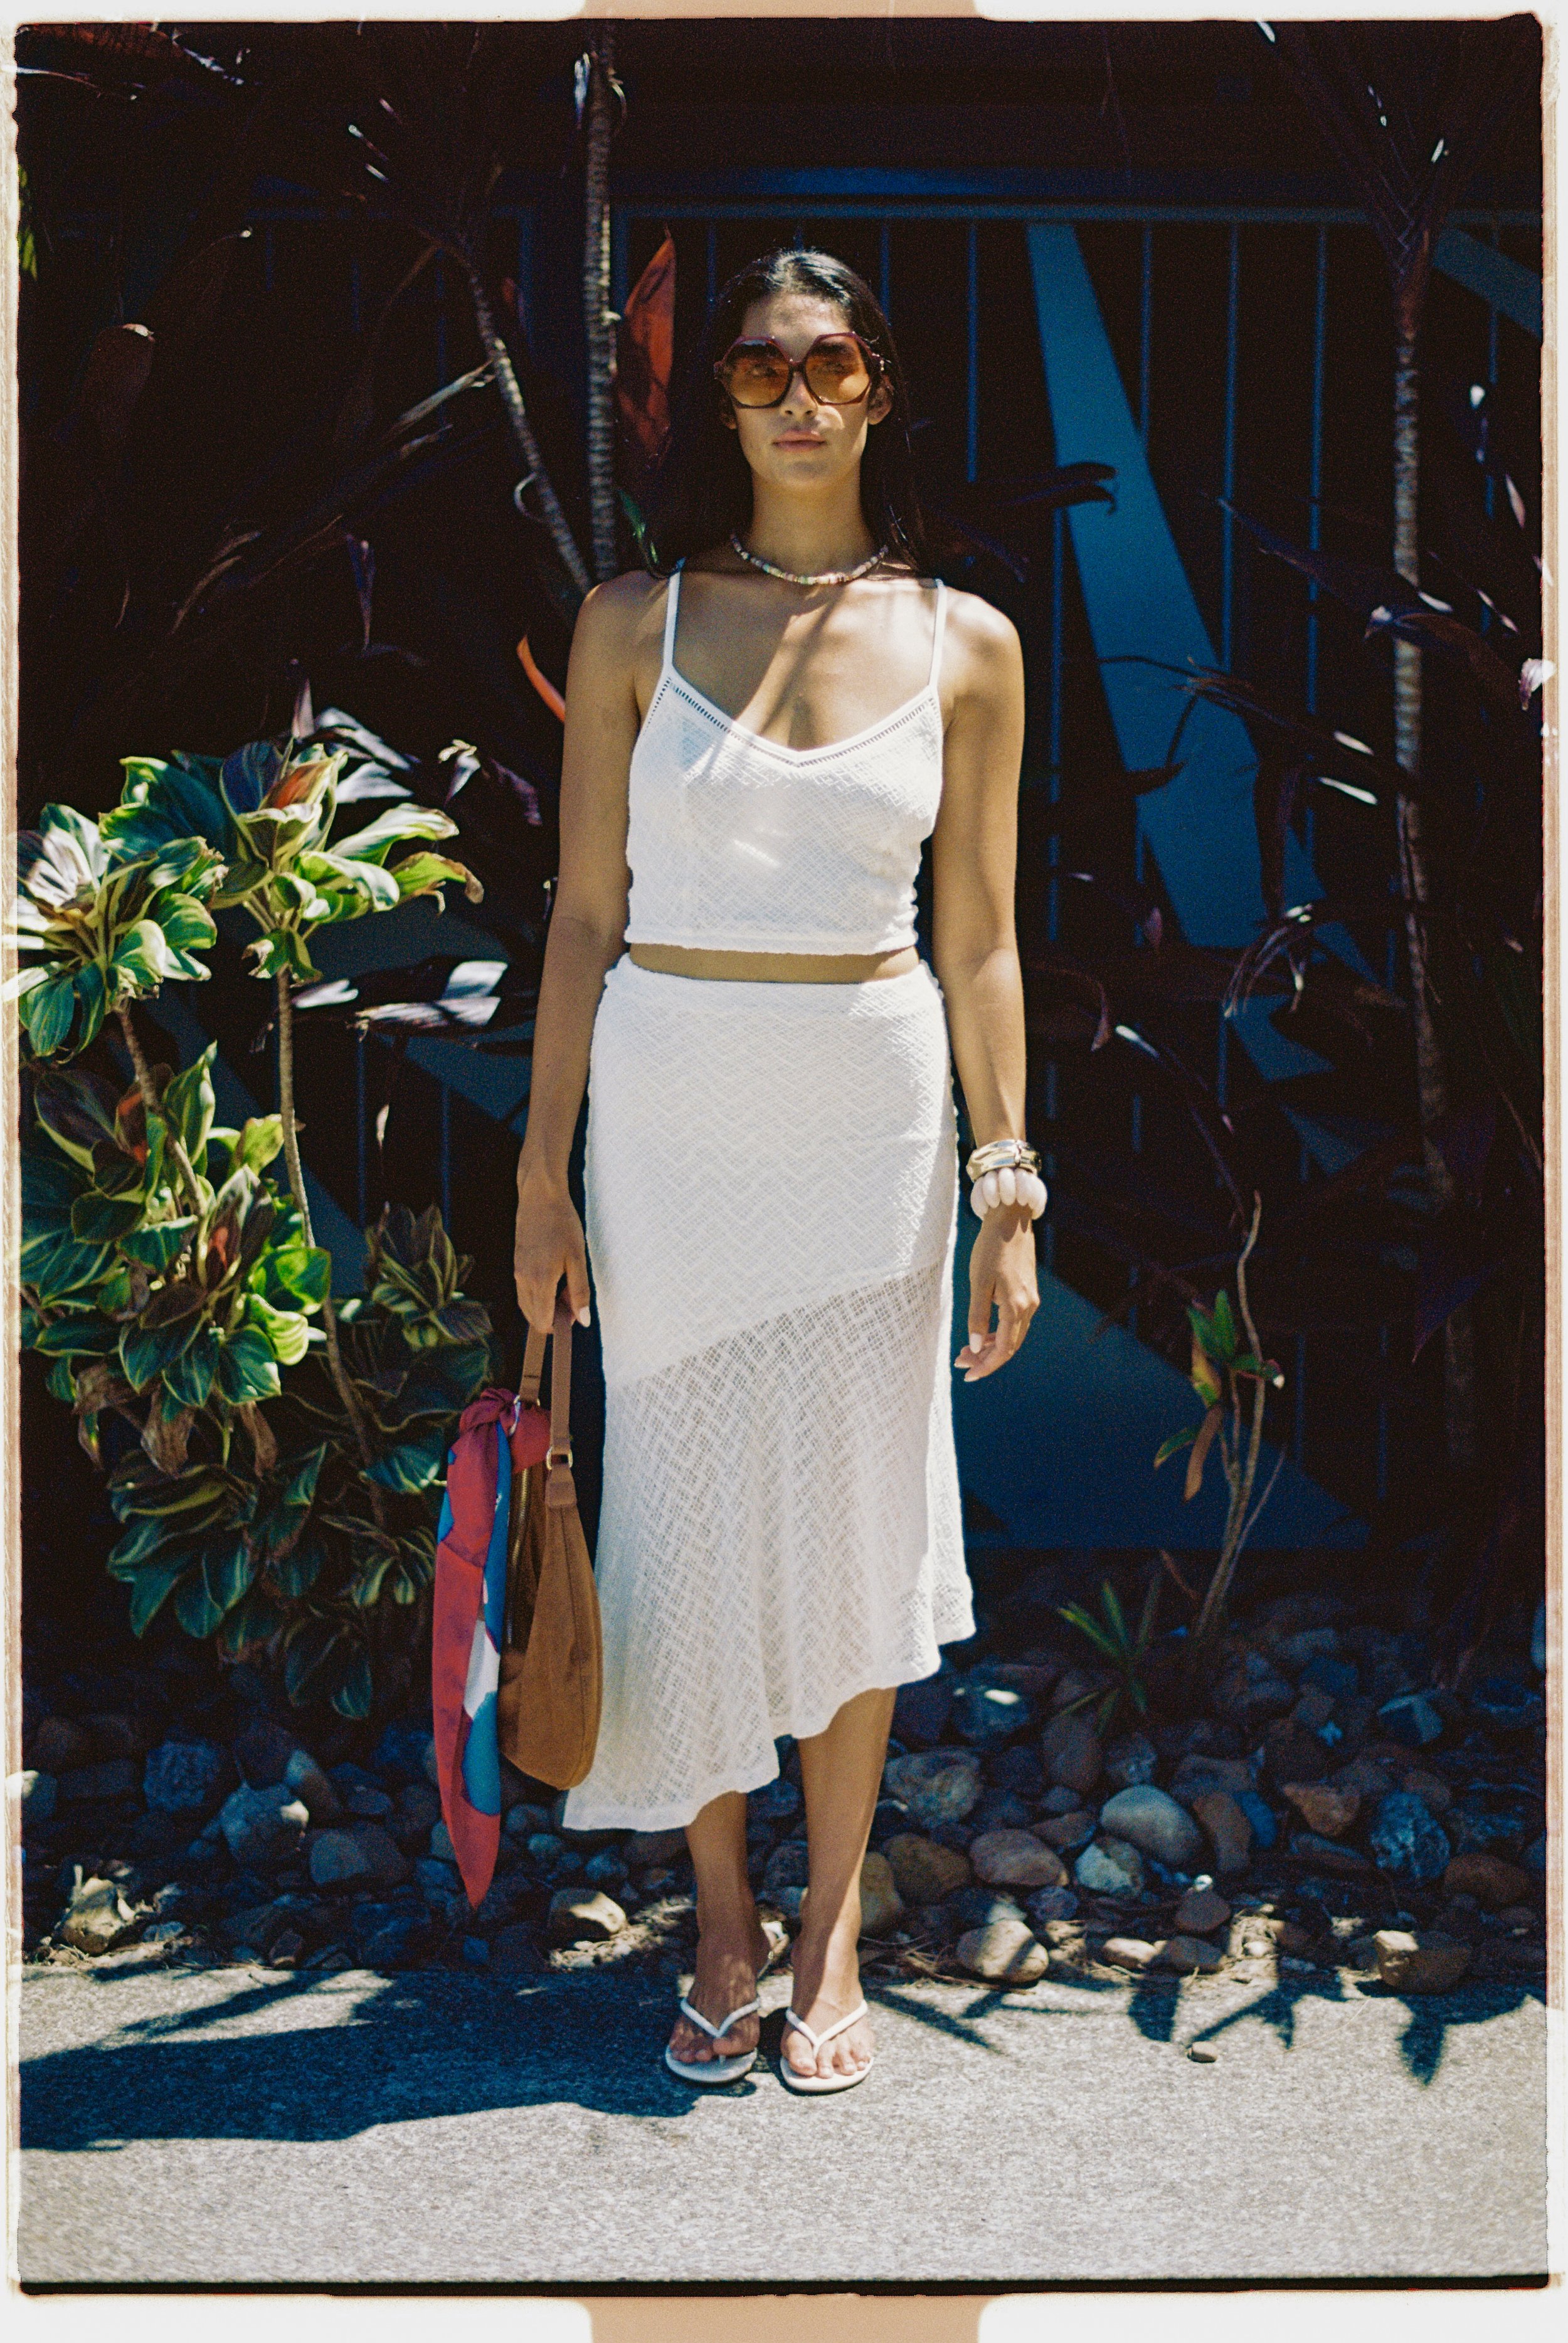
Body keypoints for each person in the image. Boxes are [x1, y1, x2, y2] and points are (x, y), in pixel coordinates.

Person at [512, 246, 1038, 2094]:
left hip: (870, 1114)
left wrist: (1006, 1178)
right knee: (681, 1511)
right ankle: (720, 1913)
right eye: (756, 366)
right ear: (717, 396)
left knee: (855, 1513)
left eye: (829, 362)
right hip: (667, 1114)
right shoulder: (628, 622)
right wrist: (541, 1175)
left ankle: (829, 1935)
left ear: (880, 387)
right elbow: (580, 917)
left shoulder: (968, 642)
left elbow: (978, 941)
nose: (796, 394)